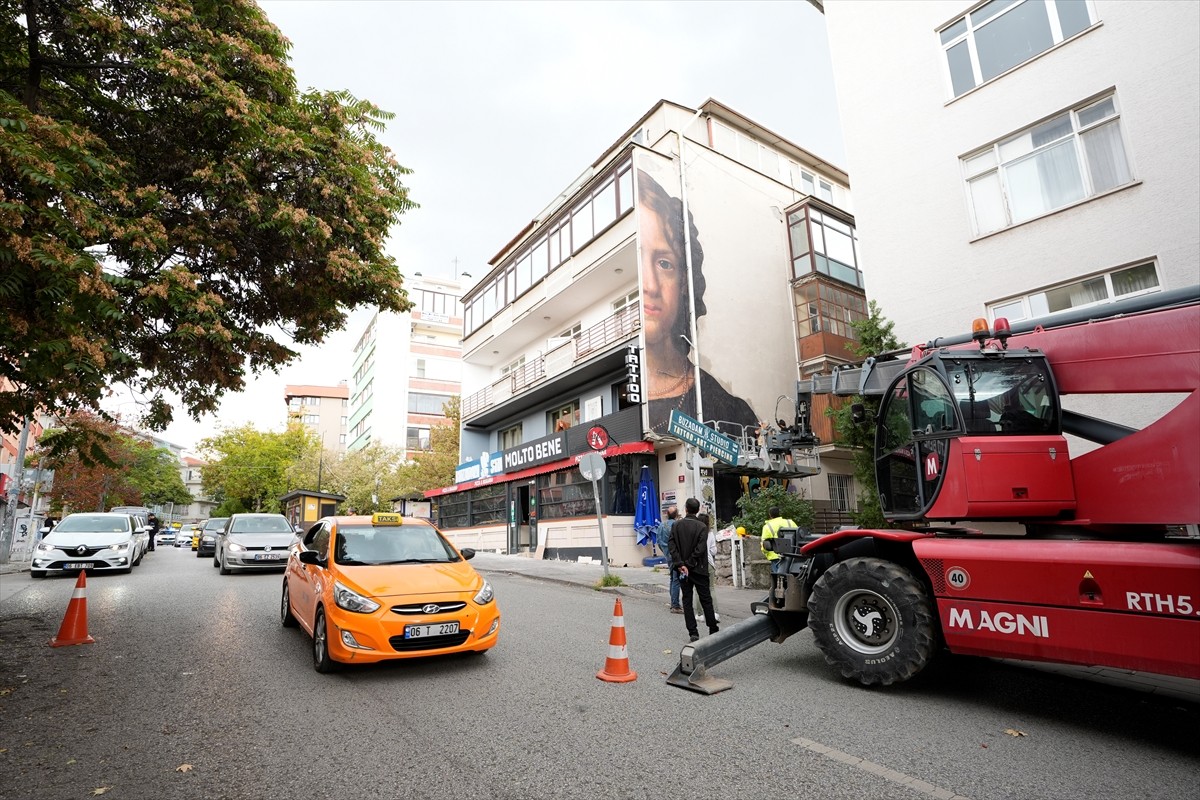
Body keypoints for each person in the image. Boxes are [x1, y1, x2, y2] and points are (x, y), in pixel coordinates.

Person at [637, 169, 756, 434]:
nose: (649, 285)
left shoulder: (730, 412)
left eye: (664, 263)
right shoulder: (620, 399)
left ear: (684, 281)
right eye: (635, 263)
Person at [668, 498, 719, 642]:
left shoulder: (677, 526)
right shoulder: (702, 527)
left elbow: (672, 546)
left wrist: (681, 564)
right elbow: (700, 548)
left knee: (687, 600)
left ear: (686, 509)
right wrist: (690, 563)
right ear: (697, 510)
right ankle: (713, 628)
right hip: (699, 568)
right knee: (705, 599)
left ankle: (693, 632)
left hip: (683, 570)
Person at [656, 505, 681, 613]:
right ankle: (675, 605)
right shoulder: (677, 525)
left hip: (668, 555)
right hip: (676, 555)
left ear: (667, 514)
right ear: (676, 515)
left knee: (672, 578)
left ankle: (673, 602)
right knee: (676, 580)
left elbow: (658, 541)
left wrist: (665, 552)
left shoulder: (661, 526)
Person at [698, 512, 720, 622]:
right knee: (711, 588)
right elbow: (713, 550)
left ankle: (700, 613)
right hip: (709, 563)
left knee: (697, 589)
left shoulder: (695, 533)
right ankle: (715, 612)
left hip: (697, 564)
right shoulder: (710, 534)